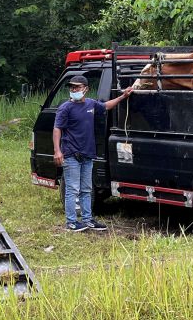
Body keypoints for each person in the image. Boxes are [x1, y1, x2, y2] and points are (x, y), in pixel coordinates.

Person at [53, 74, 136, 231]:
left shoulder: (91, 104)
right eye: (72, 87)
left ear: (86, 89)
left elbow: (105, 106)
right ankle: (71, 222)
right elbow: (57, 129)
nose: (74, 90)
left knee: (86, 189)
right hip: (71, 155)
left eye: (77, 87)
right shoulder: (65, 108)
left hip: (88, 155)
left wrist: (123, 97)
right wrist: (58, 151)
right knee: (72, 189)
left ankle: (88, 219)